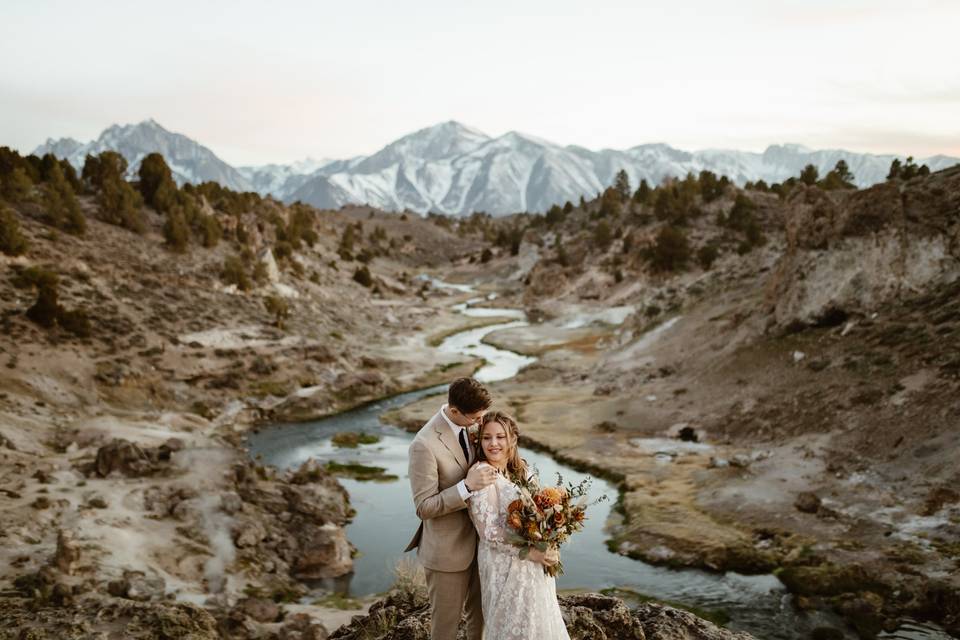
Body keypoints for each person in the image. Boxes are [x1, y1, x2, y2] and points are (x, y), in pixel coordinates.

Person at [405, 377, 497, 640]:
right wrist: (466, 488)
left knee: (479, 623)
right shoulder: (423, 445)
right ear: (454, 411)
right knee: (445, 629)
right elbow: (424, 507)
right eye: (475, 418)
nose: (480, 424)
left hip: (482, 547)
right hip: (446, 555)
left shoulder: (470, 424)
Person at [468, 411, 569, 640]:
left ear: (512, 439)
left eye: (500, 437)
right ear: (479, 441)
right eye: (486, 437)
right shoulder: (482, 473)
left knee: (540, 623)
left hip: (535, 563)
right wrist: (532, 553)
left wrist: (550, 544)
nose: (493, 443)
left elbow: (541, 513)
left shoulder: (522, 470)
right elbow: (489, 532)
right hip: (503, 565)